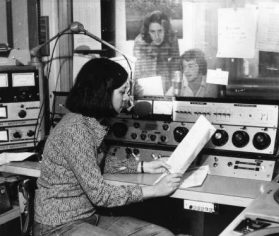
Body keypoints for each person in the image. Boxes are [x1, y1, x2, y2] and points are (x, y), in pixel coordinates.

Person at [33, 58, 182, 236]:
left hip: (90, 217)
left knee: (162, 234)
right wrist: (156, 190)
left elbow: (97, 162)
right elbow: (101, 195)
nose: (127, 97)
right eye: (122, 92)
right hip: (58, 225)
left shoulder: (93, 122)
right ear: (102, 93)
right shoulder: (75, 130)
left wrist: (143, 166)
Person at [133, 10, 180, 96]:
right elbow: (138, 72)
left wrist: (173, 88)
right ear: (148, 31)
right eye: (152, 32)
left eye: (160, 31)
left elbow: (176, 66)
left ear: (166, 30)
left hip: (167, 86)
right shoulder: (140, 42)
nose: (157, 36)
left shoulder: (172, 39)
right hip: (146, 84)